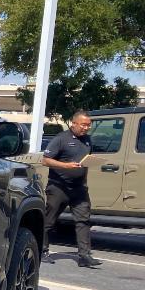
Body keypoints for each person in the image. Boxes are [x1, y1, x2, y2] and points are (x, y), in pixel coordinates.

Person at [41, 110, 102, 268]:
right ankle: (42, 250)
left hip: (79, 188)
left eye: (89, 125)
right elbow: (46, 160)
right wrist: (65, 166)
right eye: (83, 125)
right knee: (49, 221)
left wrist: (84, 180)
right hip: (58, 187)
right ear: (74, 123)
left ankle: (84, 256)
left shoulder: (88, 140)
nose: (86, 128)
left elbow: (86, 162)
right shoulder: (61, 139)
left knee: (83, 220)